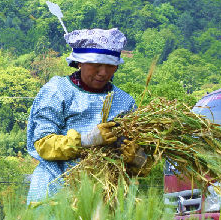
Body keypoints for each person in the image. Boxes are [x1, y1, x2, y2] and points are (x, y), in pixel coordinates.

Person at [26, 27, 140, 203]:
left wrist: (135, 157)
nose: (103, 72)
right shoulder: (58, 91)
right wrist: (86, 140)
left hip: (103, 198)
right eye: (96, 65)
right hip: (55, 191)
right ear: (80, 62)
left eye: (110, 66)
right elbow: (43, 143)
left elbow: (144, 161)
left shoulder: (125, 102)